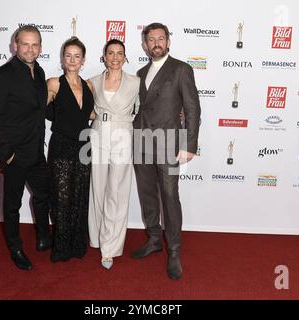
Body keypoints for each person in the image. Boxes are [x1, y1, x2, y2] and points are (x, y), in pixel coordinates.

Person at [131, 22, 201, 280]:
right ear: (145, 45)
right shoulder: (139, 72)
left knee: (170, 198)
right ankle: (153, 239)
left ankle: (173, 250)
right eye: (151, 39)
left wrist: (189, 145)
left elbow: (193, 109)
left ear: (168, 42)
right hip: (141, 144)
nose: (156, 43)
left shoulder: (181, 69)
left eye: (161, 38)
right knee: (147, 195)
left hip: (169, 145)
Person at [0, 25, 51, 271]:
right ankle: (15, 248)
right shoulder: (1, 75)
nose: (30, 49)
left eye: (35, 44)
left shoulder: (41, 72)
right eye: (25, 44)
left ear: (41, 47)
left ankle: (44, 237)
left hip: (36, 151)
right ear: (15, 45)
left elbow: (39, 111)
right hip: (14, 153)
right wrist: (7, 153)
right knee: (13, 205)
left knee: (43, 195)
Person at [88, 39, 140, 270]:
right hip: (98, 134)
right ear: (104, 57)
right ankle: (97, 237)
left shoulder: (135, 82)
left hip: (122, 136)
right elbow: (85, 109)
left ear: (125, 57)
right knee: (97, 190)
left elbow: (143, 110)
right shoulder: (93, 82)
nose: (116, 57)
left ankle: (109, 248)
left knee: (116, 192)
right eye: (111, 53)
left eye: (120, 53)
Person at [46, 37, 94, 262]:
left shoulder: (89, 86)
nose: (72, 60)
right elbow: (40, 112)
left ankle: (77, 244)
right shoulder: (54, 83)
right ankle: (61, 246)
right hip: (62, 146)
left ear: (83, 60)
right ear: (62, 59)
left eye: (77, 56)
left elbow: (90, 115)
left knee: (80, 196)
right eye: (68, 55)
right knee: (61, 197)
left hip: (85, 146)